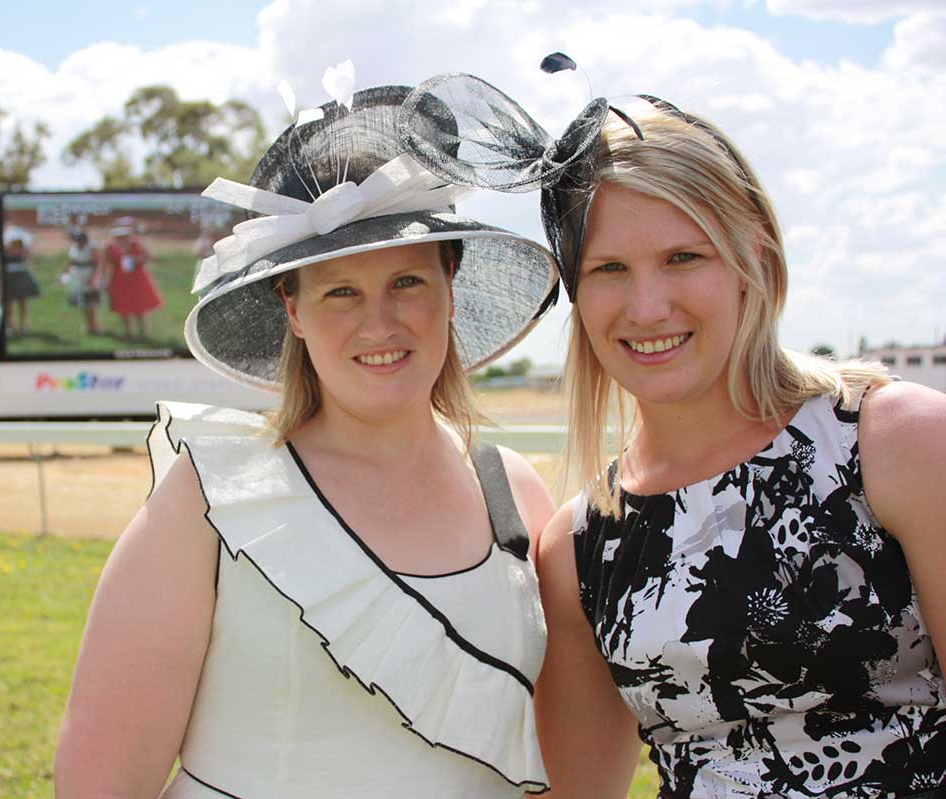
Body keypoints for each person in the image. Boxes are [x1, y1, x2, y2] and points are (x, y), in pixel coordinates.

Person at [403, 69, 946, 798]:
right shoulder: (580, 550)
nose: (648, 305)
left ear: (753, 254)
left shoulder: (896, 443)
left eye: (682, 257)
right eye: (610, 269)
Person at [54, 83, 562, 799]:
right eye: (340, 292)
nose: (379, 324)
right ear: (292, 309)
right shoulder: (211, 498)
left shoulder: (518, 497)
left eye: (407, 281)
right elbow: (99, 785)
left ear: (451, 281)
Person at [99, 216, 163, 339]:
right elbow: (105, 265)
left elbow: (148, 256)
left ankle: (143, 332)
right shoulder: (109, 247)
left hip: (137, 280)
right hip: (119, 281)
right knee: (123, 307)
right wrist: (103, 281)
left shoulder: (137, 244)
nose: (122, 238)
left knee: (140, 306)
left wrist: (135, 260)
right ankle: (128, 332)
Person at [62, 226, 101, 336]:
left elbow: (97, 263)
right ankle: (88, 325)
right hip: (78, 275)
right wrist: (65, 273)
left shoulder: (92, 246)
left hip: (89, 274)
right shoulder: (74, 246)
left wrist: (94, 279)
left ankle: (95, 325)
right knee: (83, 302)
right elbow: (72, 261)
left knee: (91, 303)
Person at [2, 226, 39, 335]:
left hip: (21, 278)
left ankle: (24, 326)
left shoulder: (23, 251)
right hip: (10, 278)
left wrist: (23, 253)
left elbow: (28, 261)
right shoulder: (6, 251)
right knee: (9, 304)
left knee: (23, 303)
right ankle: (10, 326)